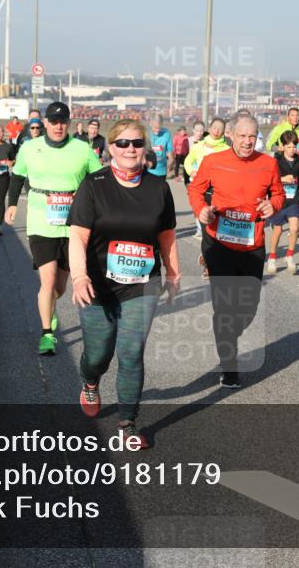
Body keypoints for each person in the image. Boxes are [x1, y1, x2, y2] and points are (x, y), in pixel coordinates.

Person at [69, 119, 181, 448]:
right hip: (98, 285)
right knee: (98, 354)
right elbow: (77, 235)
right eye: (123, 143)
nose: (130, 149)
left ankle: (127, 424)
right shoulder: (94, 184)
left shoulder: (158, 187)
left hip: (141, 285)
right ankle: (91, 381)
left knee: (131, 353)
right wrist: (79, 275)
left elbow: (167, 236)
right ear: (111, 148)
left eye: (136, 143)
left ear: (145, 147)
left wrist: (174, 274)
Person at [187, 113, 284, 388]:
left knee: (249, 306)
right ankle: (229, 365)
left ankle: (228, 334)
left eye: (252, 136)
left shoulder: (268, 164)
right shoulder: (213, 161)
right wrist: (201, 210)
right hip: (218, 244)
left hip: (252, 244)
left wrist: (272, 206)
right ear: (231, 135)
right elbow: (195, 190)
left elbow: (279, 194)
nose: (247, 142)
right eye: (242, 136)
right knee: (225, 307)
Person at [5, 102, 103, 355]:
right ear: (45, 123)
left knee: (60, 287)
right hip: (41, 221)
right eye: (53, 121)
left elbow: (99, 181)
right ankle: (47, 334)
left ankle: (49, 307)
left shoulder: (83, 149)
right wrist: (12, 204)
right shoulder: (29, 147)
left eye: (63, 121)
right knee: (47, 282)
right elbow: (17, 177)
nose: (58, 126)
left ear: (69, 123)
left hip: (74, 224)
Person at [266, 130, 299, 274]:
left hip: (293, 200)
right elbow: (267, 179)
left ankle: (290, 256)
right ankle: (272, 258)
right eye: (289, 147)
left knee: (294, 229)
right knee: (278, 230)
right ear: (283, 147)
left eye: (294, 147)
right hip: (278, 200)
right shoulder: (276, 160)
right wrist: (282, 179)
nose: (292, 150)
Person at [183, 118, 229, 241]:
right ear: (209, 129)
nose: (216, 131)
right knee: (202, 214)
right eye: (214, 127)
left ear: (223, 132)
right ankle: (204, 238)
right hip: (199, 186)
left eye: (220, 129)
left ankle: (212, 245)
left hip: (216, 190)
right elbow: (188, 160)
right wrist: (191, 171)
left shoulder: (226, 149)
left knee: (215, 219)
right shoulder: (198, 146)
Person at [146, 113, 173, 180]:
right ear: (150, 124)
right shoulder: (146, 133)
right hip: (148, 170)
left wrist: (171, 162)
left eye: (159, 128)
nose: (157, 130)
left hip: (161, 171)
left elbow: (170, 150)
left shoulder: (166, 133)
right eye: (155, 127)